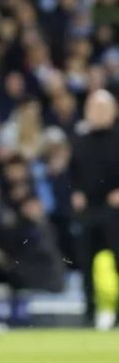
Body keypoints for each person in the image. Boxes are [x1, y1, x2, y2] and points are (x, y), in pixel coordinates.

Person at [69, 89, 119, 330]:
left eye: (101, 108)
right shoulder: (79, 139)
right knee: (85, 263)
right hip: (89, 208)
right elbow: (71, 172)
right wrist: (75, 191)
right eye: (92, 108)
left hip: (114, 210)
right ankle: (89, 312)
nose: (96, 113)